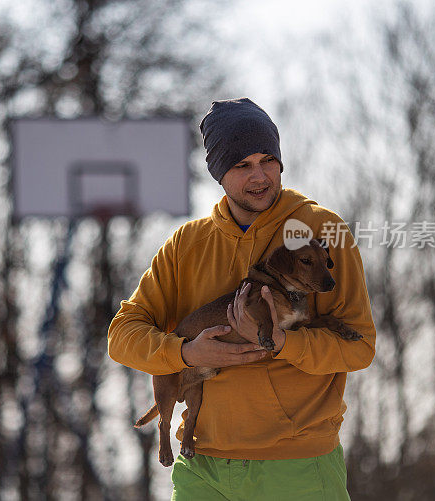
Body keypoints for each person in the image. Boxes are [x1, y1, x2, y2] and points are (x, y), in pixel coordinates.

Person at [108, 98, 376, 500]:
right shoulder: (186, 244)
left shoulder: (322, 228)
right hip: (201, 468)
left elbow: (359, 347)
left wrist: (284, 342)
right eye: (242, 165)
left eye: (268, 160)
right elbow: (122, 336)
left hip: (295, 467)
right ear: (217, 173)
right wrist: (187, 353)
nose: (260, 176)